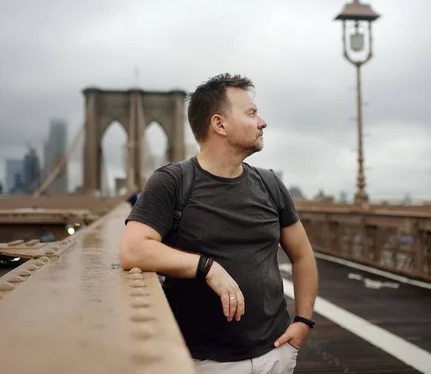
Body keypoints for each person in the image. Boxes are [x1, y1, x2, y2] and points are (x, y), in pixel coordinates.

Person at [120, 73, 318, 374]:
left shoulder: (269, 183)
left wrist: (303, 322)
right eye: (251, 114)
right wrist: (207, 267)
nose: (262, 122)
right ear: (219, 124)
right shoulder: (172, 182)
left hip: (275, 353)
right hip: (204, 362)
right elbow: (133, 250)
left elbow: (302, 255)